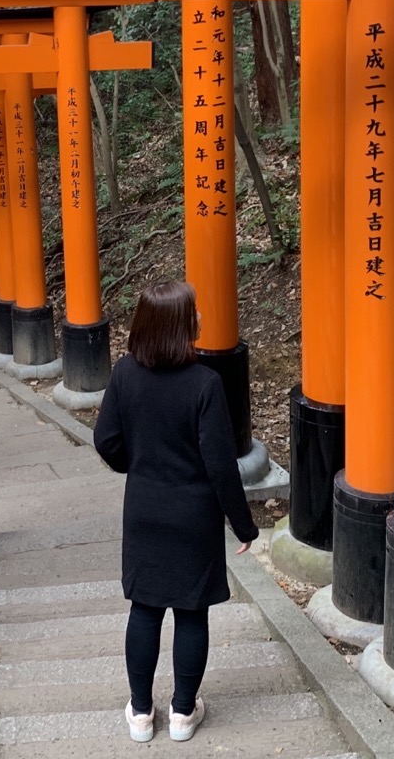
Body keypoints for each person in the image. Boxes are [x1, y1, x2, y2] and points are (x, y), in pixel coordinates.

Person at [93, 280, 259, 744]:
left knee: (144, 610)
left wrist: (138, 465)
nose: (200, 320)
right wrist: (243, 525)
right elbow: (221, 464)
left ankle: (142, 714)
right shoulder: (205, 384)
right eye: (194, 314)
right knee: (191, 613)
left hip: (144, 508)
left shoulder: (125, 374)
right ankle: (184, 713)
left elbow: (105, 439)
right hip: (194, 515)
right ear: (179, 326)